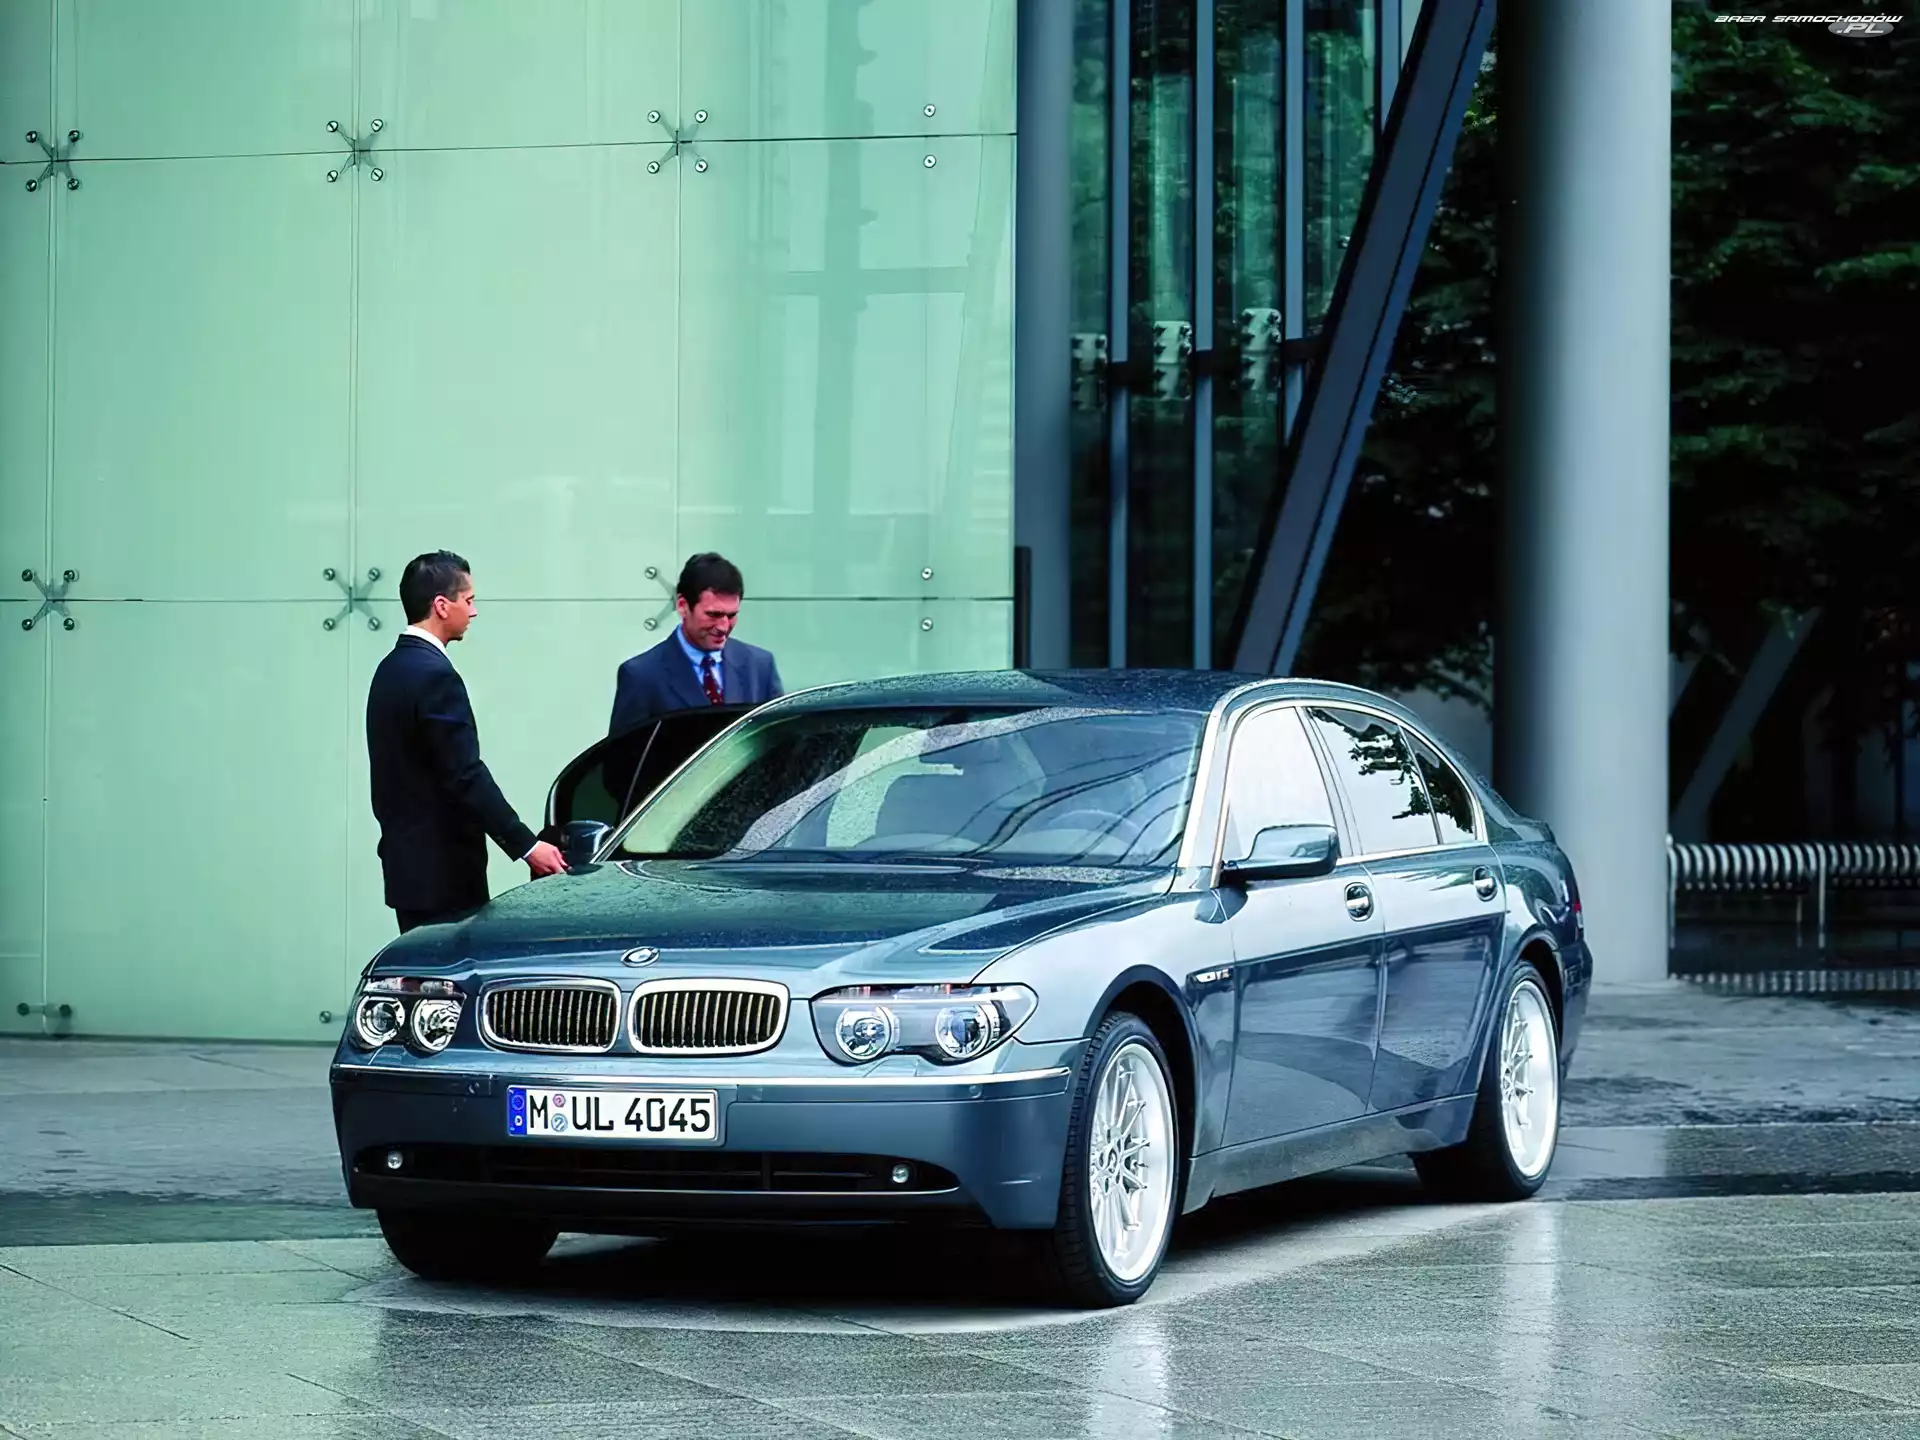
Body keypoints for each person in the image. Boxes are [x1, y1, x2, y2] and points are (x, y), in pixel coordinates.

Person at [367, 551, 566, 933]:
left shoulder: (390, 669)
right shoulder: (435, 676)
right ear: (442, 606)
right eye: (468, 600)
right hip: (445, 875)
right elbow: (465, 774)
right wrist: (526, 845)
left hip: (407, 872)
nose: (473, 612)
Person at [608, 551, 784, 735]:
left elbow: (780, 740)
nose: (723, 627)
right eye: (713, 615)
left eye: (731, 615)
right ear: (683, 606)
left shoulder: (760, 667)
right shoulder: (641, 676)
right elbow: (625, 751)